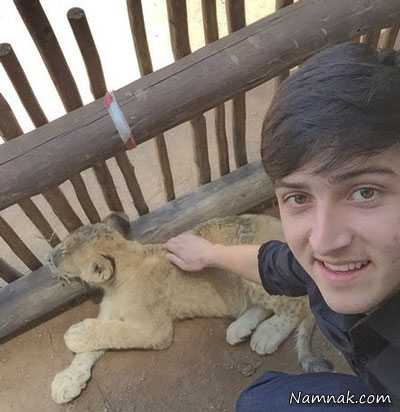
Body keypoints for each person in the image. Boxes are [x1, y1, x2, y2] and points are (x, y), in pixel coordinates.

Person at [165, 42, 400, 411]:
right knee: (260, 401)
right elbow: (278, 265)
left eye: (365, 192)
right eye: (299, 197)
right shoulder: (337, 260)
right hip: (377, 389)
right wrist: (210, 253)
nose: (323, 241)